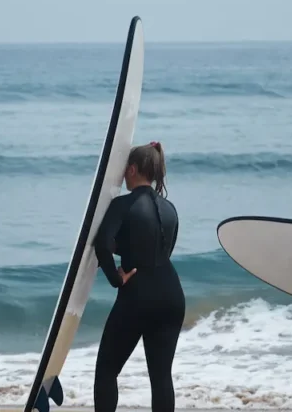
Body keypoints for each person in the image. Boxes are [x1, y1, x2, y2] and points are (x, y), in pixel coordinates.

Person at [92, 141, 185, 412]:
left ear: (132, 169)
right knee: (161, 377)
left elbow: (102, 245)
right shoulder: (170, 209)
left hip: (138, 296)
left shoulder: (122, 205)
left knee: (107, 370)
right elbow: (162, 248)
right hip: (171, 294)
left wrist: (115, 278)